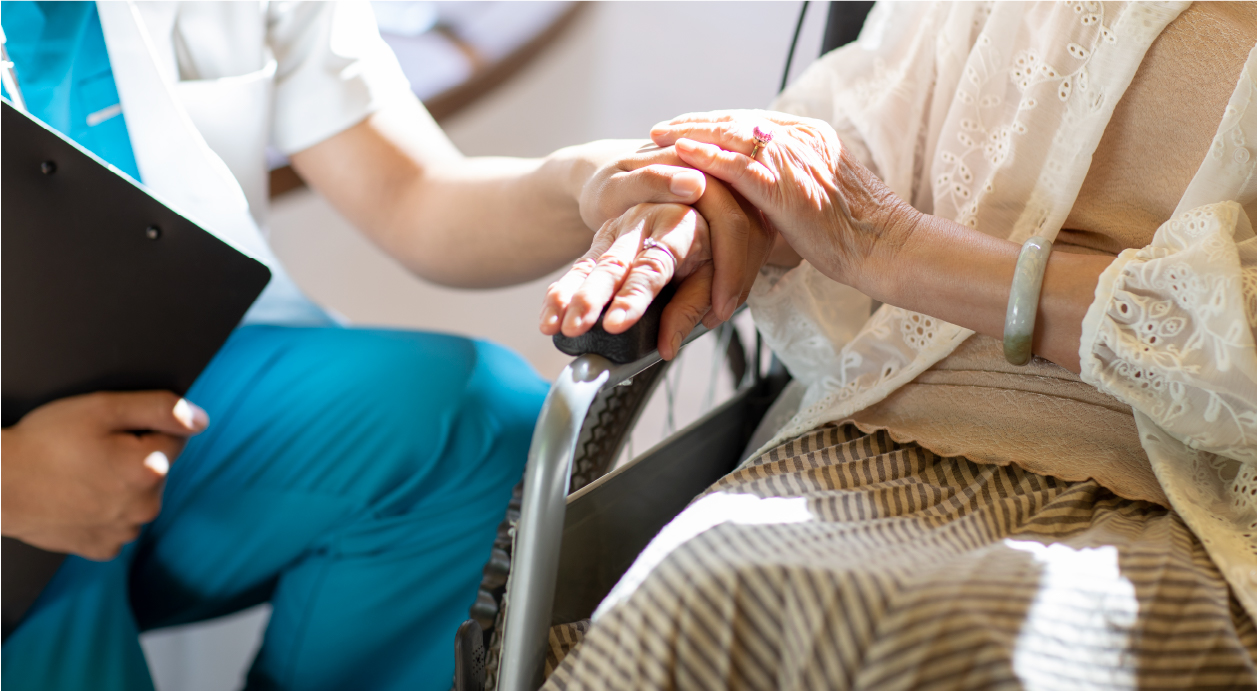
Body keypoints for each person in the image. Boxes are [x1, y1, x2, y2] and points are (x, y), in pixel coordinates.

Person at [0, 3, 768, 690]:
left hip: (172, 387)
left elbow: (412, 192)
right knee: (45, 585)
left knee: (470, 421)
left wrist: (588, 181)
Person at [542, 1, 1257, 687]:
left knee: (947, 649)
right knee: (707, 597)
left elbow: (866, 222)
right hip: (873, 435)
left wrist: (887, 241)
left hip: (1185, 514)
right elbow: (846, 144)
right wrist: (718, 202)